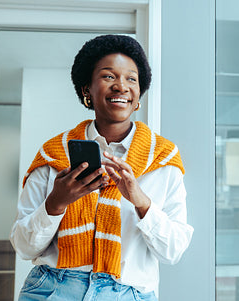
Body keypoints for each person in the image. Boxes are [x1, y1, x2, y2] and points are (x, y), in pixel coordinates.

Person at [10, 34, 193, 300]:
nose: (121, 86)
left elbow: (174, 251)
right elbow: (24, 248)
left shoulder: (163, 159)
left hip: (128, 293)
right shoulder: (52, 155)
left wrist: (140, 201)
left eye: (132, 78)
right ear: (87, 89)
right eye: (109, 76)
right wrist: (56, 203)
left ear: (139, 91)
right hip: (53, 289)